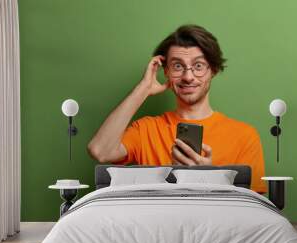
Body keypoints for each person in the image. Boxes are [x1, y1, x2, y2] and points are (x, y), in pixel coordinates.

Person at [88, 25, 266, 193]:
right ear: (166, 72)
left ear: (214, 69)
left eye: (198, 66)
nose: (188, 77)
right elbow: (100, 151)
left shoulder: (245, 136)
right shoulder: (146, 130)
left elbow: (252, 210)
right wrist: (143, 89)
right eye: (178, 66)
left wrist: (210, 178)